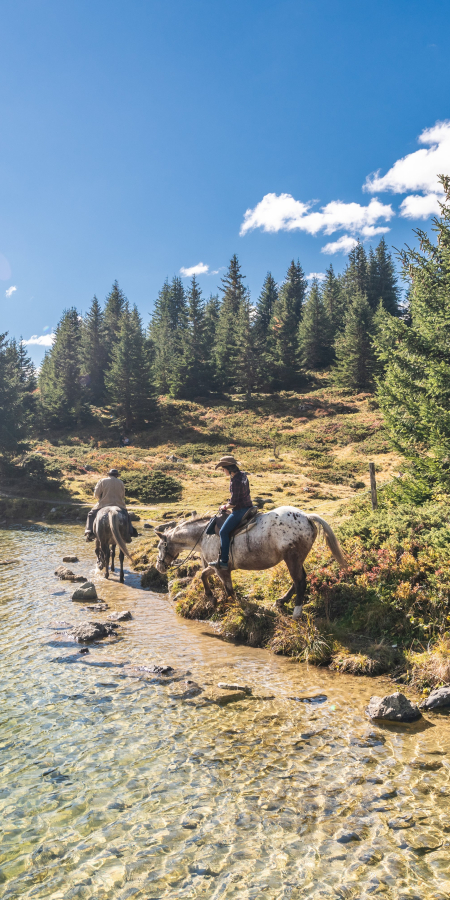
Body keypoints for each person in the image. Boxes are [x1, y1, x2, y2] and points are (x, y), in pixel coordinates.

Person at [208, 455, 253, 569]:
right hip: (249, 506)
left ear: (228, 468)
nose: (223, 471)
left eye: (223, 468)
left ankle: (224, 561)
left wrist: (225, 506)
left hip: (240, 509)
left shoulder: (235, 481)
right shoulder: (242, 475)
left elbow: (233, 502)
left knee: (223, 532)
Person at [84, 468, 138, 542]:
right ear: (117, 475)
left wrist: (101, 497)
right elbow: (122, 496)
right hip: (119, 505)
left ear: (109, 474)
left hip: (103, 504)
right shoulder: (121, 482)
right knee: (127, 516)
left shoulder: (102, 481)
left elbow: (96, 495)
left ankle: (89, 532)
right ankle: (130, 532)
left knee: (91, 514)